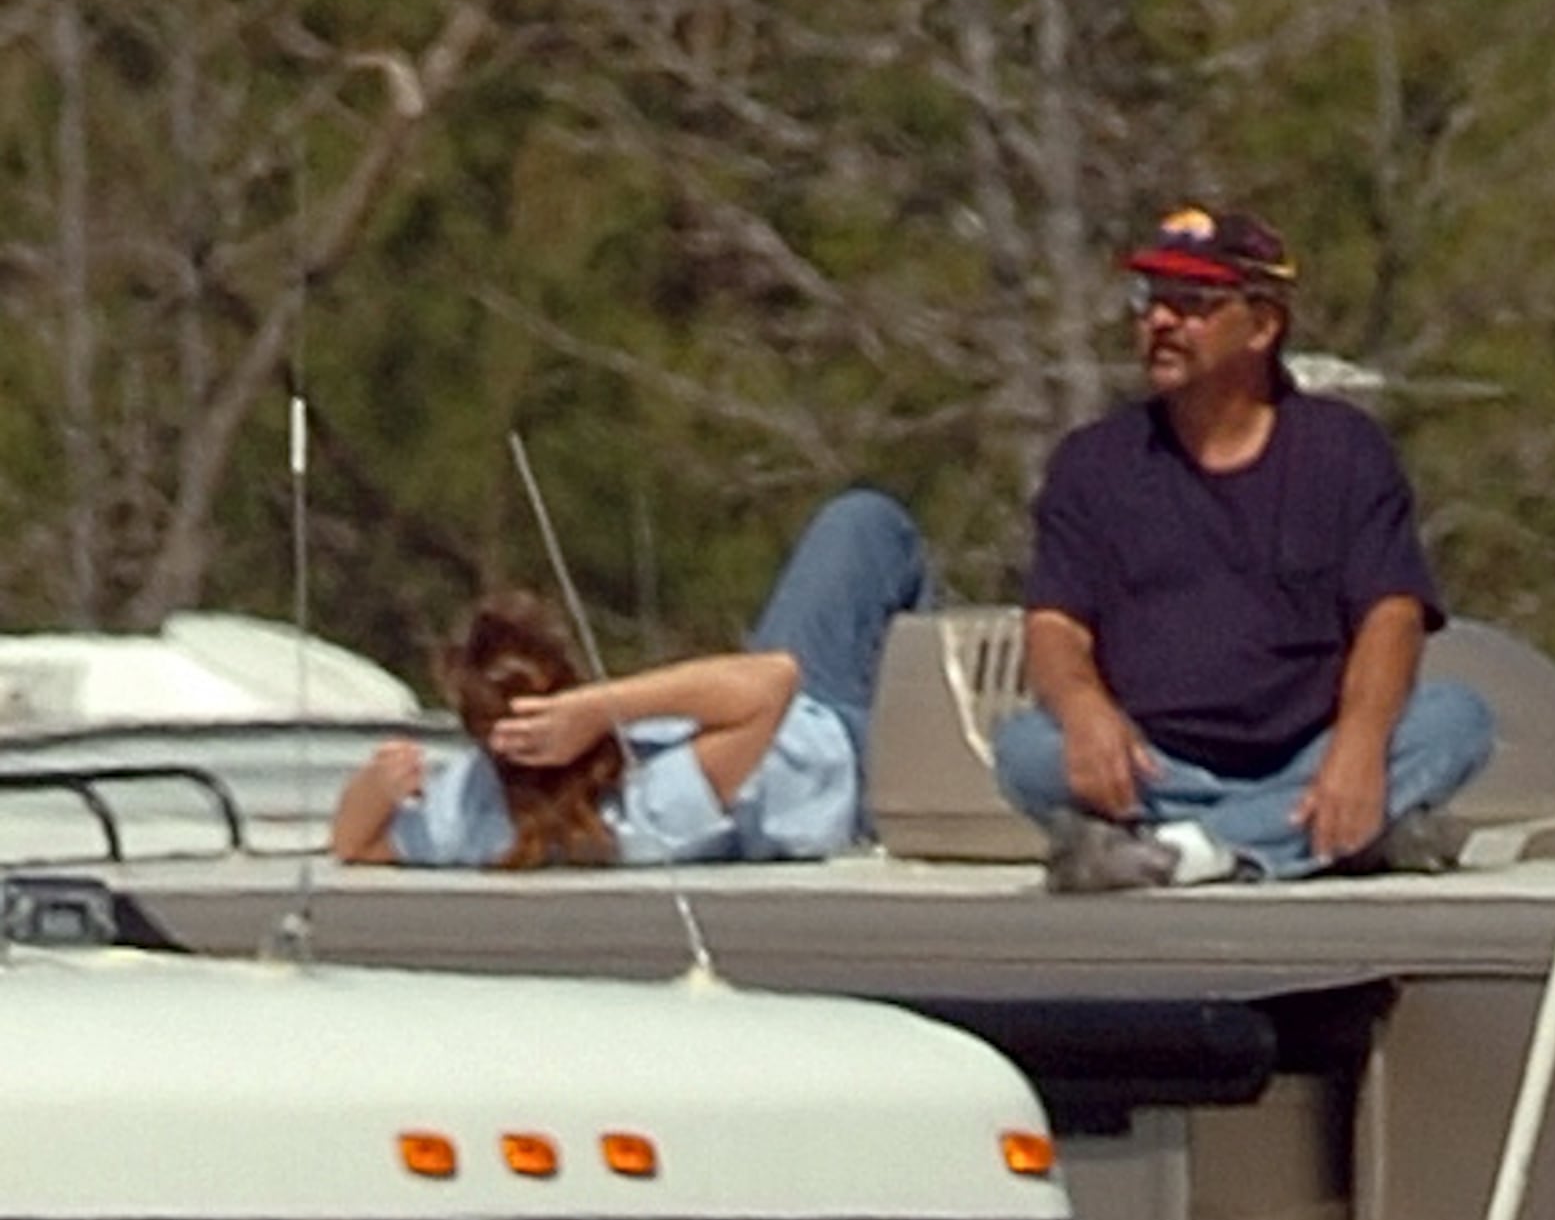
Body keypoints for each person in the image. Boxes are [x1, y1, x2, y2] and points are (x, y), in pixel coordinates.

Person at [992, 201, 1491, 889]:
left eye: (1191, 302)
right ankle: (1319, 837)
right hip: (1156, 767)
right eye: (1149, 299)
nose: (1160, 322)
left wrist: (1360, 743)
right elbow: (1055, 626)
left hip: (1309, 751)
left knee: (1455, 720)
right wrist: (1085, 710)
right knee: (1024, 749)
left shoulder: (1343, 450)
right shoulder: (1094, 462)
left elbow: (1391, 616)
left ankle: (1183, 852)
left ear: (1262, 324)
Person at [329, 488, 928, 870]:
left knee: (860, 523)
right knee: (871, 526)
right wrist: (601, 709)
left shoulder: (478, 812)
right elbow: (775, 682)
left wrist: (377, 786)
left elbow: (355, 844)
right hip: (842, 755)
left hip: (787, 712)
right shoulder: (645, 808)